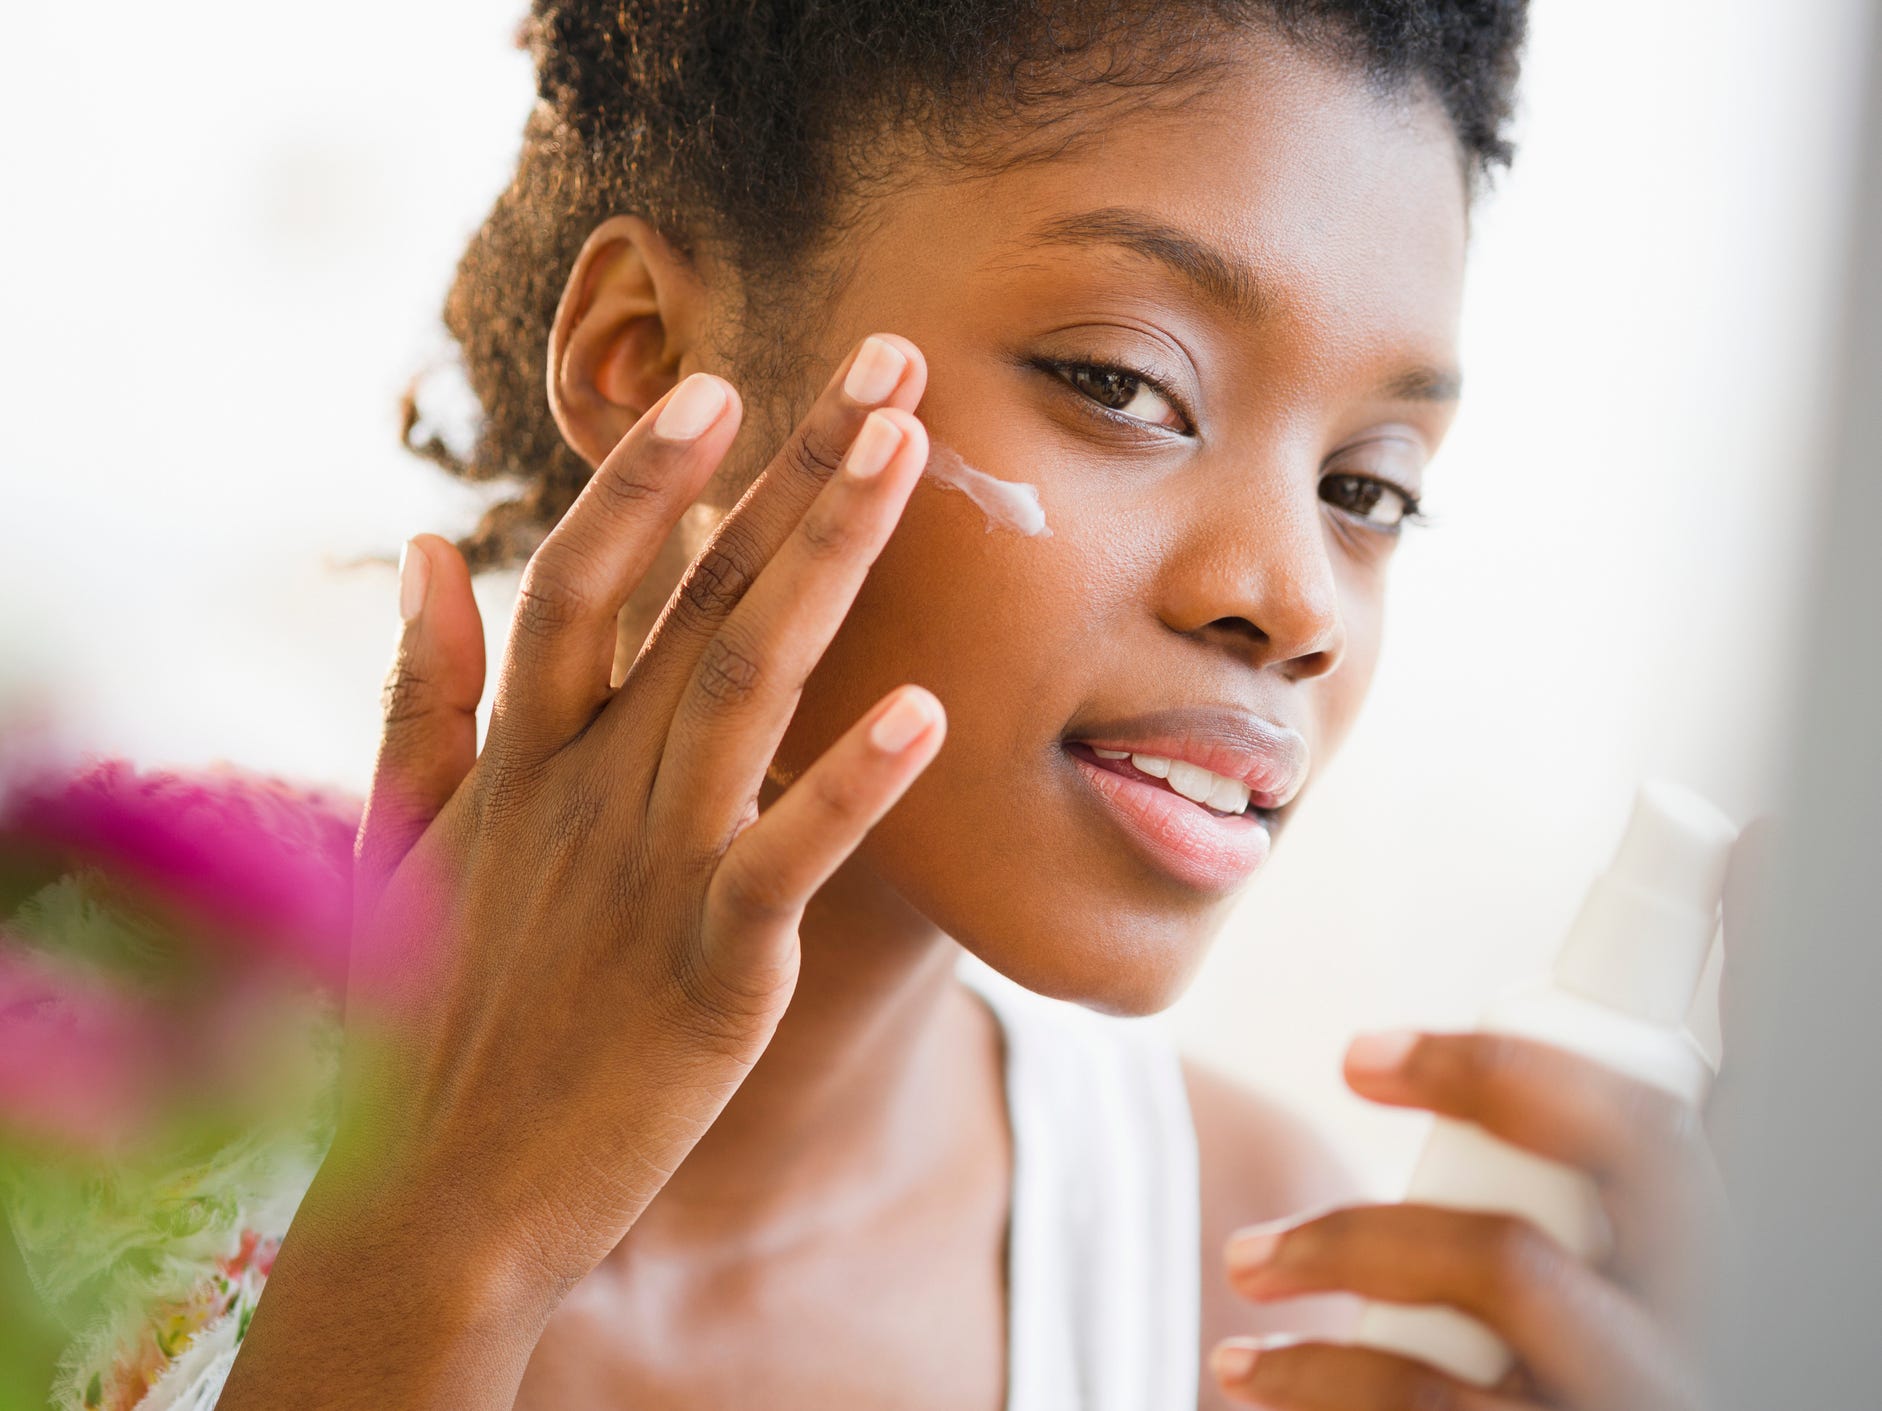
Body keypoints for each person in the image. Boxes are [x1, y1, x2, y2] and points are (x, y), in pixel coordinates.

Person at [6, 1, 1742, 1407]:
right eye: (1123, 384)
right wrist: (446, 1249)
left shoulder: (1251, 1276)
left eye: (1369, 489)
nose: (1289, 602)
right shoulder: (79, 1040)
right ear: (646, 363)